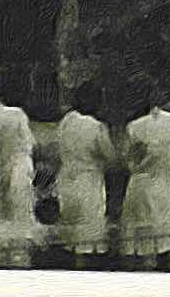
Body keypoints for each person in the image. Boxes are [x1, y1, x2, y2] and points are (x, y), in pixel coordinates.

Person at [120, 76, 170, 267]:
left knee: (141, 249)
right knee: (167, 244)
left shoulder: (134, 127)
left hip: (139, 189)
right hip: (165, 187)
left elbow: (128, 162)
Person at [56, 80, 115, 263]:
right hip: (88, 182)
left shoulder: (67, 121)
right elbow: (110, 156)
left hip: (66, 179)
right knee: (88, 232)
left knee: (70, 229)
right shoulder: (96, 127)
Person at [0, 68, 36, 226]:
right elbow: (28, 143)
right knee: (20, 214)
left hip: (0, 166)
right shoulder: (18, 115)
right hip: (18, 167)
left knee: (1, 214)